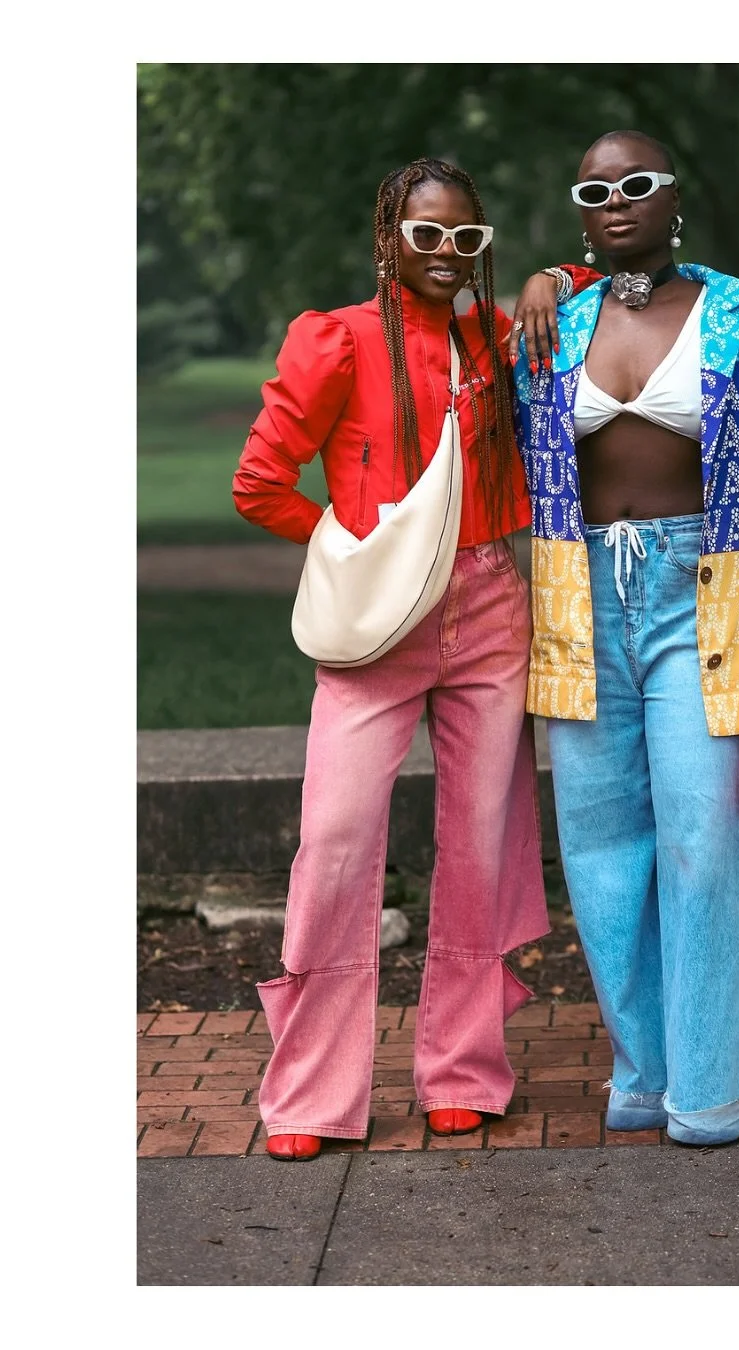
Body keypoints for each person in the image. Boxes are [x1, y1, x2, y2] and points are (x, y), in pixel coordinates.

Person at [509, 130, 739, 1146]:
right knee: (604, 848)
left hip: (707, 590)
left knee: (703, 841)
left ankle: (715, 1079)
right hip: (579, 598)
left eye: (637, 184)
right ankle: (647, 1067)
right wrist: (542, 274)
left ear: (674, 199)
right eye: (595, 189)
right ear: (581, 213)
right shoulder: (554, 326)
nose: (616, 200)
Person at [232, 157, 567, 1159]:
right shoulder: (331, 338)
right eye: (427, 235)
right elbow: (260, 482)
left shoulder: (496, 335)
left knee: (479, 841)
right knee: (334, 844)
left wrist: (550, 277)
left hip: (490, 606)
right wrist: (349, 547)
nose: (447, 255)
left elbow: (587, 304)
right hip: (379, 624)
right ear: (389, 238)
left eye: (467, 238)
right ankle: (309, 1094)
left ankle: (461, 1070)